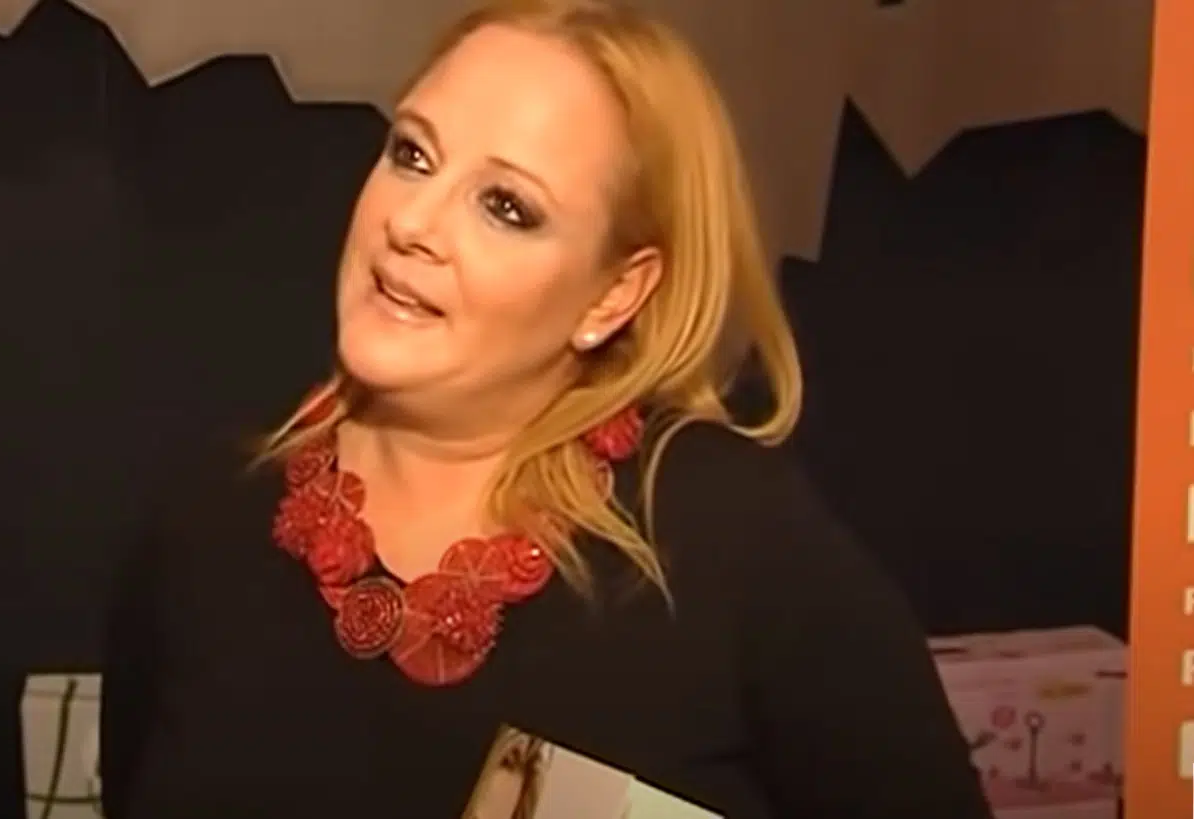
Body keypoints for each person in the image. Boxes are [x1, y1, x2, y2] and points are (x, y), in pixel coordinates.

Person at [100, 1, 991, 817]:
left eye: (506, 207)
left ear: (614, 293)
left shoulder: (735, 546)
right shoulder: (205, 527)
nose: (412, 223)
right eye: (412, 154)